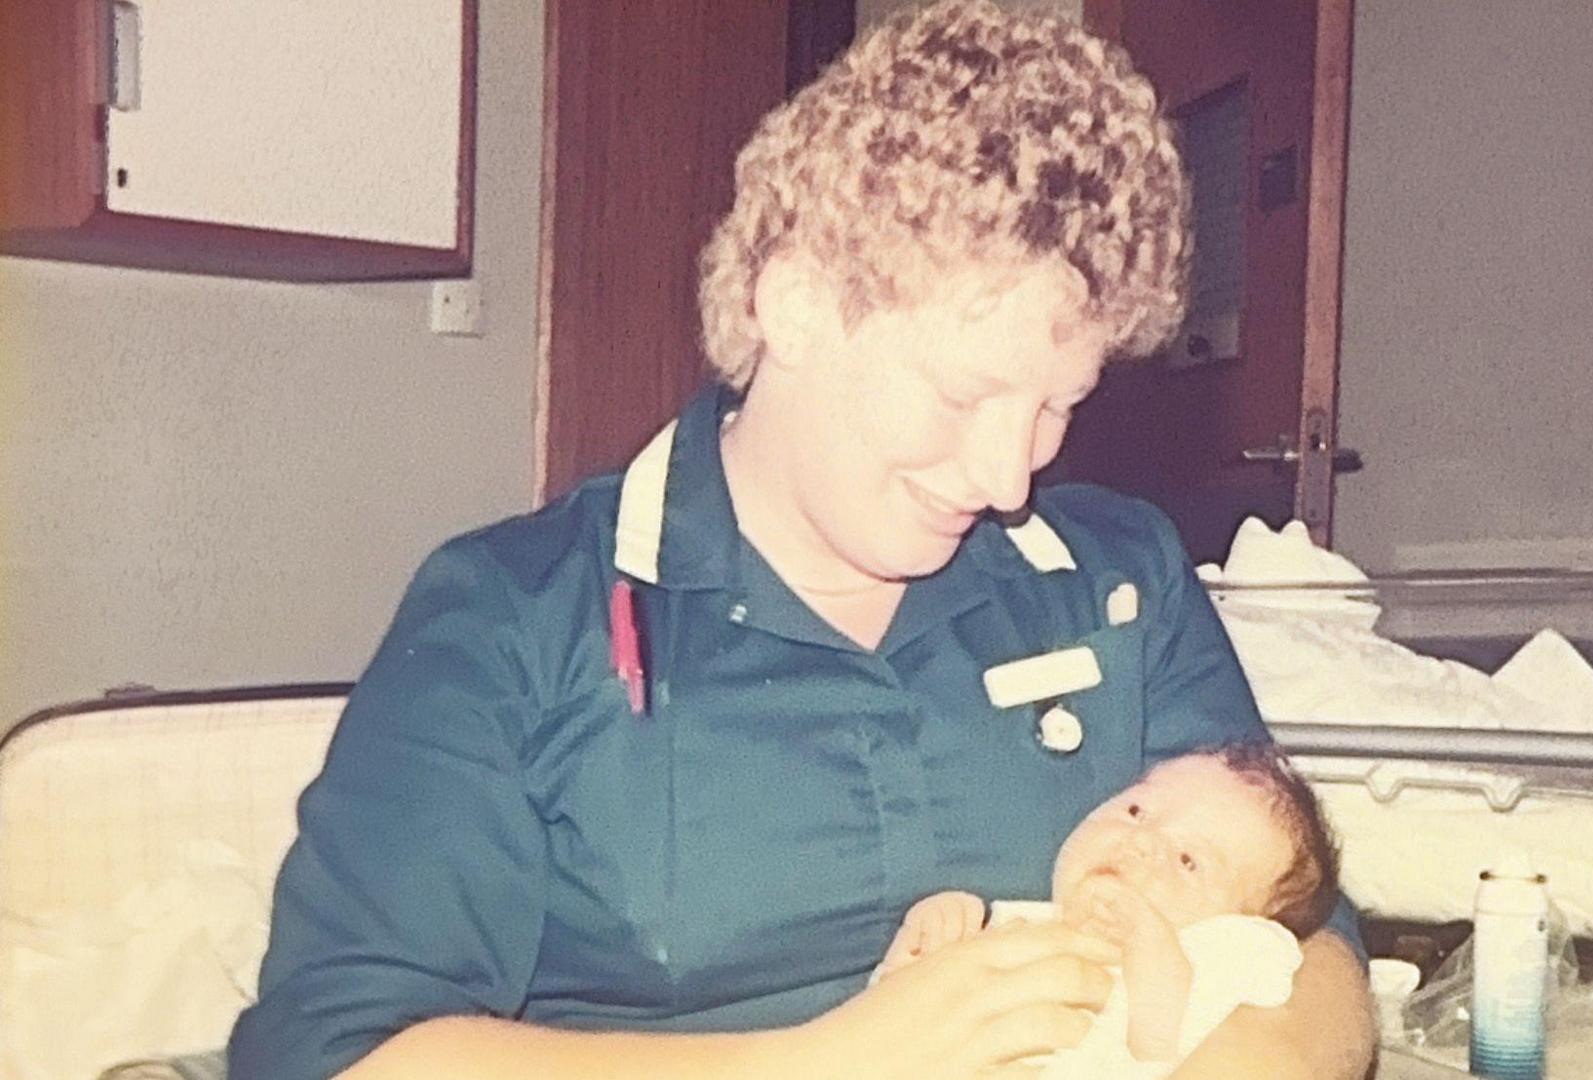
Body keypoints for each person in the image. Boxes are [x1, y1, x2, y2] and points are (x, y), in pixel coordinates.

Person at [227, 3, 1376, 1078]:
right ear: (799, 305)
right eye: (963, 395)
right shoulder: (514, 617)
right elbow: (337, 1051)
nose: (1009, 474)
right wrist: (834, 1058)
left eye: (1056, 405)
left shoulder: (1119, 576)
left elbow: (1312, 937)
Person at [873, 745, 1341, 1077]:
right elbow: (892, 1036)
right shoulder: (1017, 926)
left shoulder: (1218, 957)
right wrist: (918, 955)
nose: (1138, 842)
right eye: (1137, 811)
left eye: (1187, 861)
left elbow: (1162, 1050)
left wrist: (1151, 954)